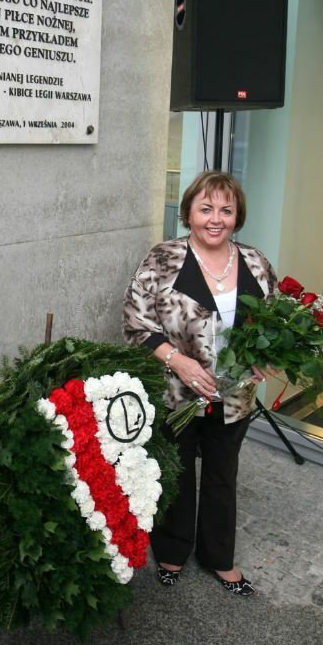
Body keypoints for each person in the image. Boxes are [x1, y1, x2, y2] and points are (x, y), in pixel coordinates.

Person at [123, 171, 276, 595]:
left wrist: (267, 353)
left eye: (226, 210)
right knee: (176, 470)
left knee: (222, 475)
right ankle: (172, 549)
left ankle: (218, 557)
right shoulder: (163, 259)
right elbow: (136, 323)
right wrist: (180, 363)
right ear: (188, 212)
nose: (216, 219)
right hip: (177, 393)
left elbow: (273, 320)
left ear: (236, 216)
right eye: (206, 208)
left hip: (234, 395)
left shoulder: (256, 263)